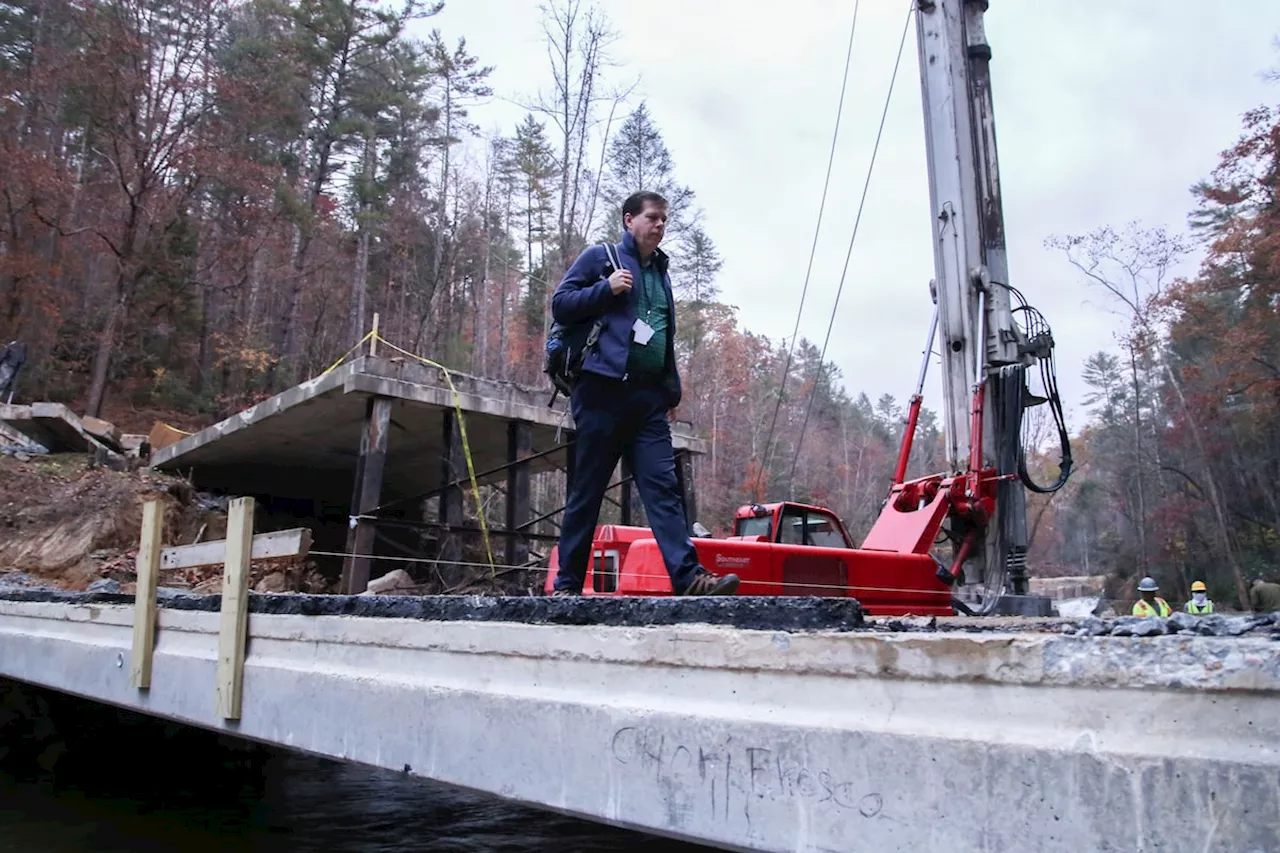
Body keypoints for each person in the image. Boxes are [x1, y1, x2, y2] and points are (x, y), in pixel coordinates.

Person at [548, 191, 739, 597]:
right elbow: (561, 305)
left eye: (664, 219)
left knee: (663, 489)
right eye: (653, 217)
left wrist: (670, 393)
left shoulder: (661, 273)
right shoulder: (601, 258)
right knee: (588, 491)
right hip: (601, 394)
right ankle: (566, 586)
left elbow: (664, 338)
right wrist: (606, 289)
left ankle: (689, 579)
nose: (660, 225)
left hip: (647, 402)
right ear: (629, 220)